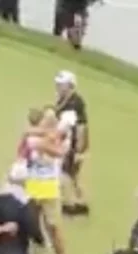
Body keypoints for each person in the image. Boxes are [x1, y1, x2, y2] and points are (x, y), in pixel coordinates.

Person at [23, 107, 76, 254]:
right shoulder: (33, 138)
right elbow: (41, 141)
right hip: (33, 186)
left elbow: (59, 151)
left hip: (49, 187)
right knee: (31, 226)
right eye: (47, 118)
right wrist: (57, 131)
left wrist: (61, 133)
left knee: (53, 227)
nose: (50, 121)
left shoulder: (60, 138)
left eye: (53, 119)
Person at [54, 70, 90, 216]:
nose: (57, 86)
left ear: (69, 85)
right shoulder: (64, 99)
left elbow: (81, 127)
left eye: (60, 84)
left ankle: (70, 204)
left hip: (73, 146)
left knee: (67, 174)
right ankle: (80, 203)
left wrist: (78, 150)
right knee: (73, 176)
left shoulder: (75, 103)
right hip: (67, 143)